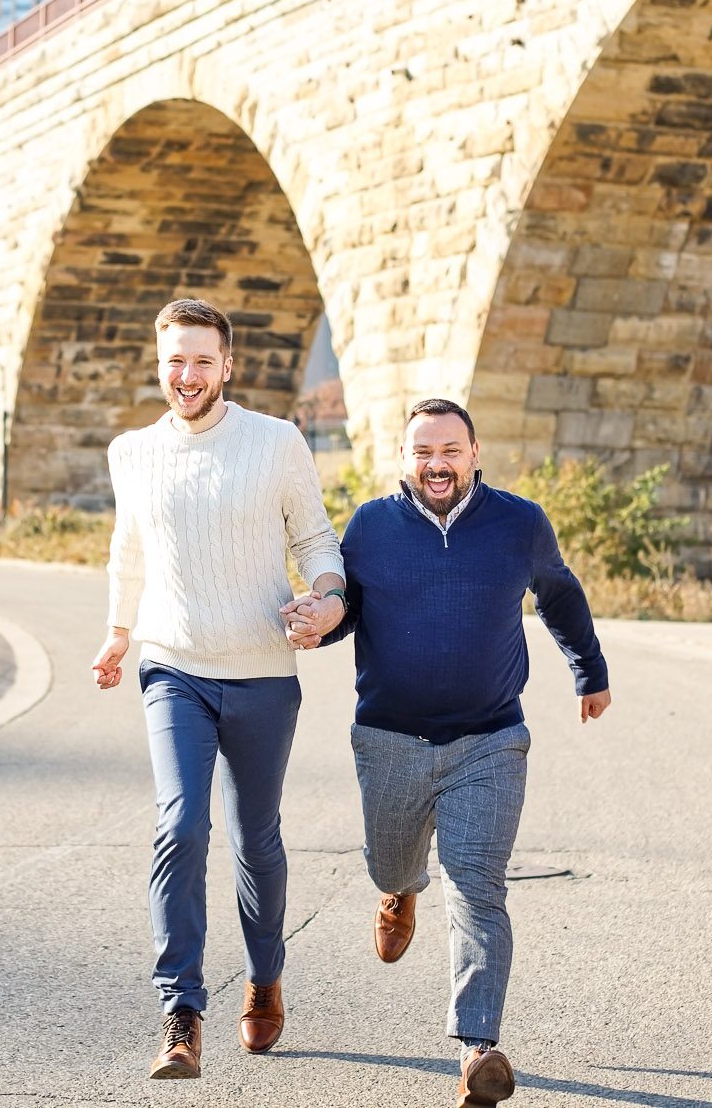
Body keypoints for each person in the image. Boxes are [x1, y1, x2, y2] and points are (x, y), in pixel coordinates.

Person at [285, 398, 610, 1107]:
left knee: (477, 882)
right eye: (423, 451)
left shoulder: (519, 522)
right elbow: (350, 613)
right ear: (404, 459)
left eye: (451, 449)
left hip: (489, 737)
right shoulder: (371, 525)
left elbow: (559, 593)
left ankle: (478, 1047)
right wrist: (318, 623)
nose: (437, 463)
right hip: (389, 738)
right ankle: (398, 890)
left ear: (474, 452)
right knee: (391, 860)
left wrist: (590, 669)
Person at [91, 298, 348, 1080]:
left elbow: (315, 539)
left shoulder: (275, 442)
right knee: (180, 825)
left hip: (265, 671)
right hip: (175, 667)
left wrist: (326, 596)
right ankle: (182, 1010)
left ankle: (265, 977)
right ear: (159, 361)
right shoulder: (131, 451)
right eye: (176, 359)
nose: (188, 375)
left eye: (203, 360)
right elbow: (127, 552)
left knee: (256, 839)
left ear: (226, 366)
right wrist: (117, 630)